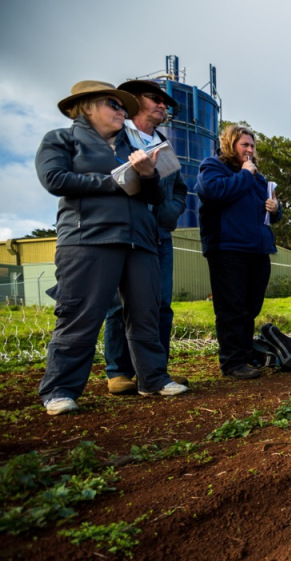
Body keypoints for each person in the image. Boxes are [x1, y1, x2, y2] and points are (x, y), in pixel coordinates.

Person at [35, 80, 188, 415]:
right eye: (114, 104)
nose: (122, 111)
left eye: (124, 107)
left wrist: (147, 177)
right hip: (89, 238)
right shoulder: (61, 139)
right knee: (80, 315)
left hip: (141, 241)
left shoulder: (131, 146)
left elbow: (156, 195)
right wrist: (116, 182)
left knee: (145, 313)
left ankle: (153, 378)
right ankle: (60, 389)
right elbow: (54, 179)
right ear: (87, 106)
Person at [102, 79, 189, 395]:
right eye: (156, 99)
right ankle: (120, 371)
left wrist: (171, 211)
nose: (163, 105)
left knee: (160, 305)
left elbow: (178, 188)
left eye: (165, 102)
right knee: (119, 306)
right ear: (135, 101)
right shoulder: (115, 138)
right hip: (125, 234)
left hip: (159, 236)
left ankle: (155, 373)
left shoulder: (164, 145)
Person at [196, 124, 282, 380]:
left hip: (258, 248)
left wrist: (275, 209)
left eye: (252, 146)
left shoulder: (259, 178)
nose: (250, 150)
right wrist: (245, 174)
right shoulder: (212, 167)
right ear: (229, 144)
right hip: (228, 248)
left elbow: (269, 215)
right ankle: (231, 362)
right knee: (230, 306)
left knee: (250, 306)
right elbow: (213, 192)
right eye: (244, 144)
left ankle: (245, 354)